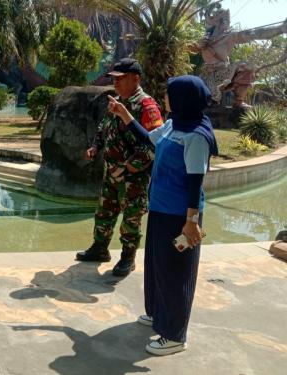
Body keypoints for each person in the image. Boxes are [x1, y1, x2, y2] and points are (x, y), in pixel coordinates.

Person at [107, 75, 219, 356]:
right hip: (159, 207)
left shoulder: (197, 136)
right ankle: (158, 314)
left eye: (169, 94)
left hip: (180, 214)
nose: (165, 98)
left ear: (183, 98)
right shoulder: (173, 125)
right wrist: (125, 115)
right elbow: (149, 140)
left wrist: (191, 222)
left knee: (176, 272)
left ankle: (174, 335)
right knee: (157, 265)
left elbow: (196, 181)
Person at [76, 58, 163, 277]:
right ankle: (100, 248)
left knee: (131, 217)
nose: (116, 84)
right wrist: (95, 146)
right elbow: (103, 127)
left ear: (136, 79)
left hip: (133, 177)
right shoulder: (116, 102)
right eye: (114, 79)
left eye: (121, 79)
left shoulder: (147, 107)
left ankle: (128, 257)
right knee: (104, 211)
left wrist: (129, 167)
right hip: (111, 172)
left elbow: (155, 145)